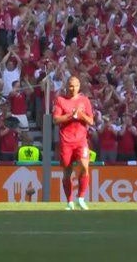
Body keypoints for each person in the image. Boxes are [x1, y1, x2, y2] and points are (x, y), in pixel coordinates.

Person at [52, 76, 93, 211]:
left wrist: (80, 115)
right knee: (67, 171)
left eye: (75, 86)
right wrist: (71, 115)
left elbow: (91, 121)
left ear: (79, 86)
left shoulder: (85, 100)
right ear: (66, 86)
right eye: (70, 86)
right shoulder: (61, 100)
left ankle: (80, 198)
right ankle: (69, 202)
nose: (73, 88)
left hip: (81, 141)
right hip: (66, 141)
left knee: (84, 166)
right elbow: (56, 120)